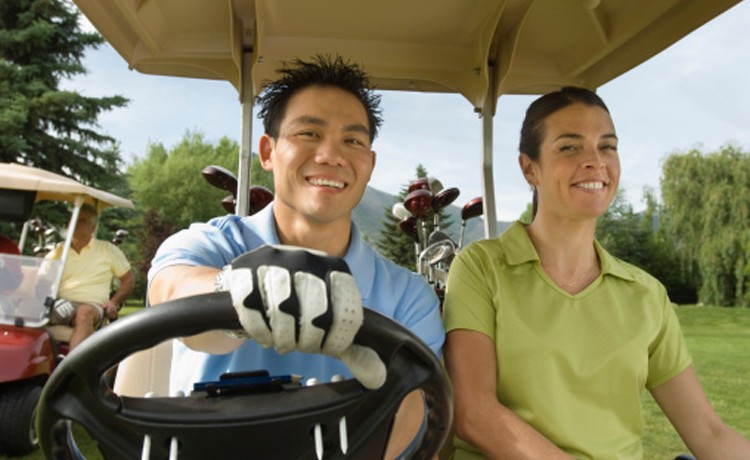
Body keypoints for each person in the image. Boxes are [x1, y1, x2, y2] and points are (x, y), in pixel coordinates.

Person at [147, 55, 444, 457]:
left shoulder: (409, 298)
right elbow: (173, 288)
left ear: (370, 165)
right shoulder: (209, 245)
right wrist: (231, 290)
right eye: (308, 133)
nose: (330, 155)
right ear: (268, 152)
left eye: (353, 141)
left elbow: (415, 418)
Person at [442, 87, 750, 459]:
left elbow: (710, 434)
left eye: (607, 146)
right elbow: (475, 414)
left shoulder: (646, 294)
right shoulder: (481, 268)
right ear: (529, 167)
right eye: (570, 147)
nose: (595, 161)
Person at [46, 203, 135, 349]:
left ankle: (73, 370)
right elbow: (42, 281)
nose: (75, 224)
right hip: (61, 303)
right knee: (27, 313)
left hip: (93, 307)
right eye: (73, 220)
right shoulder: (57, 252)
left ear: (93, 228)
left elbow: (128, 280)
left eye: (81, 221)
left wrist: (114, 302)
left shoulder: (107, 250)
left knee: (84, 312)